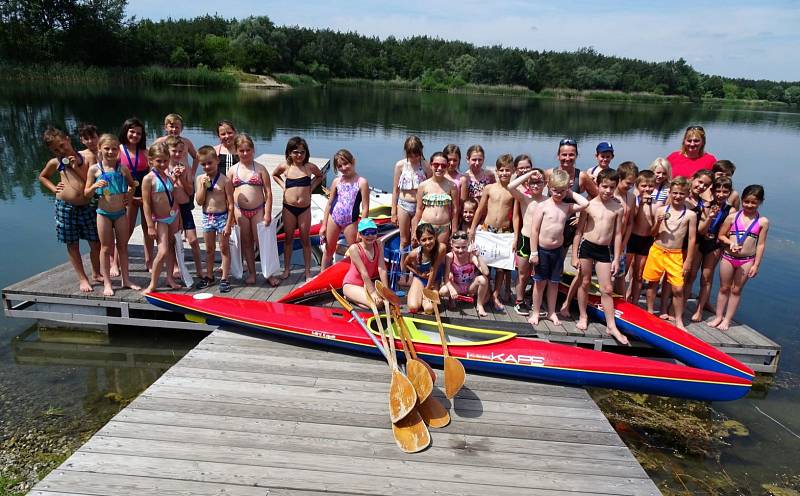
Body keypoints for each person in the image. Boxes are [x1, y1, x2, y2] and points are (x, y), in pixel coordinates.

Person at [38, 127, 101, 293]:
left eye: (62, 145)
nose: (61, 151)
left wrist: (75, 166)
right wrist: (53, 188)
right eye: (55, 149)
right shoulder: (55, 162)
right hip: (65, 207)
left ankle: (96, 272)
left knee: (96, 242)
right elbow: (42, 176)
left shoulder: (88, 156)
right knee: (72, 244)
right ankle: (83, 278)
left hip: (87, 206)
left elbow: (91, 179)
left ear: (68, 139)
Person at [572, 169, 628, 344]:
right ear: (597, 185)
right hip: (587, 247)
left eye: (612, 187)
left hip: (604, 250)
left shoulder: (618, 208)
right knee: (585, 281)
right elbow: (579, 231)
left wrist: (617, 258)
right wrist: (574, 255)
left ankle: (611, 325)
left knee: (607, 289)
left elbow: (618, 234)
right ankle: (583, 315)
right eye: (604, 186)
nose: (608, 191)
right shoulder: (588, 205)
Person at [528, 169, 589, 327]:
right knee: (540, 283)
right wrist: (534, 252)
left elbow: (585, 204)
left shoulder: (566, 207)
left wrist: (569, 191)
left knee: (554, 283)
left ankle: (551, 312)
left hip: (557, 252)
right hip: (541, 251)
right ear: (548, 186)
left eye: (562, 191)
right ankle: (535, 312)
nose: (559, 194)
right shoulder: (542, 206)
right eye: (555, 190)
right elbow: (534, 231)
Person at [84, 133, 140, 296]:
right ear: (100, 149)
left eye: (114, 149)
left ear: (118, 151)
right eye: (107, 148)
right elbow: (86, 193)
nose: (110, 152)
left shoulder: (122, 169)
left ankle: (126, 280)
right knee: (106, 247)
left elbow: (133, 184)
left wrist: (129, 197)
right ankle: (108, 283)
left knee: (122, 246)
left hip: (120, 213)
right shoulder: (94, 169)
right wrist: (95, 186)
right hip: (103, 213)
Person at [710, 185, 769, 331]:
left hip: (747, 260)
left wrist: (756, 265)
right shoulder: (732, 217)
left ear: (760, 202)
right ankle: (718, 316)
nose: (749, 205)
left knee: (736, 290)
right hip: (728, 257)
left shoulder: (762, 222)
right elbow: (721, 235)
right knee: (724, 288)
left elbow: (761, 245)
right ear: (742, 200)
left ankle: (727, 320)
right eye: (746, 202)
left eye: (753, 202)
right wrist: (731, 243)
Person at [642, 177, 697, 330]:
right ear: (670, 193)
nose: (677, 196)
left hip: (675, 254)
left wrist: (689, 260)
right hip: (658, 250)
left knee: (678, 288)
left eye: (681, 193)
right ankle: (650, 312)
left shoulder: (690, 215)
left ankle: (679, 320)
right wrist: (658, 222)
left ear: (686, 194)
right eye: (675, 193)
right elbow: (652, 233)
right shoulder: (661, 210)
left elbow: (692, 239)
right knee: (652, 284)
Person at [227, 133, 279, 286]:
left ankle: (269, 273)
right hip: (239, 211)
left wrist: (268, 213)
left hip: (258, 210)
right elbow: (228, 195)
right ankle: (251, 272)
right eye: (241, 151)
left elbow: (268, 193)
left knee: (262, 242)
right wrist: (230, 218)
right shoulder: (232, 171)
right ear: (236, 151)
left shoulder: (260, 169)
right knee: (246, 243)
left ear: (253, 150)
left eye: (248, 150)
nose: (245, 153)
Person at [272, 136, 324, 281]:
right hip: (288, 208)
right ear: (289, 152)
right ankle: (287, 269)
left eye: (302, 152)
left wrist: (311, 187)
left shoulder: (309, 167)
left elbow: (319, 176)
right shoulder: (285, 167)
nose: (299, 155)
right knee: (288, 238)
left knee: (305, 239)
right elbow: (275, 175)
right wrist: (283, 186)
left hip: (304, 208)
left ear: (306, 153)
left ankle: (307, 272)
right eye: (295, 152)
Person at [469, 153, 516, 310]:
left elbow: (515, 216)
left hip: (504, 232)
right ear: (496, 171)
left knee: (501, 267)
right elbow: (480, 210)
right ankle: (483, 292)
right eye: (501, 170)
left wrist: (515, 236)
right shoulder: (489, 188)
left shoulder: (513, 191)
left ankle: (495, 295)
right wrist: (473, 229)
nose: (504, 173)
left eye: (508, 170)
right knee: (482, 264)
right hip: (487, 230)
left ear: (513, 171)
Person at [503, 163, 546, 315]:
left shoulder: (548, 200)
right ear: (528, 183)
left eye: (539, 182)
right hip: (525, 240)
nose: (535, 185)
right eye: (532, 183)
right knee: (523, 273)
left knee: (538, 275)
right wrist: (530, 174)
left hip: (541, 242)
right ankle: (519, 301)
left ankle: (536, 302)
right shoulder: (525, 199)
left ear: (545, 184)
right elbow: (510, 186)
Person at [691, 175, 733, 322]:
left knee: (706, 278)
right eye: (718, 191)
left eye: (725, 192)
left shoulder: (731, 210)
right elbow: (701, 230)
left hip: (714, 245)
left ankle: (699, 309)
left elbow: (728, 231)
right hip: (700, 242)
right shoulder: (706, 205)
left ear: (730, 193)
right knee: (690, 274)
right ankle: (679, 304)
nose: (721, 195)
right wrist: (710, 215)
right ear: (713, 191)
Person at [141, 143, 181, 293]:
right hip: (160, 219)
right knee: (163, 251)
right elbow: (146, 203)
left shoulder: (168, 176)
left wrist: (179, 218)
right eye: (159, 161)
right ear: (151, 160)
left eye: (165, 160)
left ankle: (169, 278)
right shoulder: (148, 179)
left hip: (173, 216)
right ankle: (153, 284)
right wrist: (150, 225)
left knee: (172, 248)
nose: (163, 164)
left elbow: (173, 197)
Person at [320, 149, 370, 270]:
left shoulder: (362, 182)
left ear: (353, 162)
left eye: (346, 163)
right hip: (334, 218)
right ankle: (323, 275)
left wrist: (361, 229)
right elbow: (329, 203)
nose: (343, 167)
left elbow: (365, 208)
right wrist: (324, 224)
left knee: (354, 251)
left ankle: (355, 276)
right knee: (329, 250)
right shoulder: (337, 181)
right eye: (339, 166)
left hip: (350, 221)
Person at [195, 146, 235, 293]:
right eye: (203, 164)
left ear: (217, 161)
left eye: (210, 163)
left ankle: (225, 278)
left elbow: (231, 204)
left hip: (222, 217)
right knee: (209, 249)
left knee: (224, 248)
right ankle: (209, 276)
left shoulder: (225, 181)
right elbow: (199, 201)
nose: (207, 167)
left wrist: (229, 224)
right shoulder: (200, 179)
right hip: (207, 217)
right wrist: (203, 187)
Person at [165, 135, 203, 284]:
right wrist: (173, 178)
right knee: (173, 240)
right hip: (171, 207)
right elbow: (165, 191)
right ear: (167, 151)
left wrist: (181, 178)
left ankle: (199, 268)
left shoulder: (185, 168)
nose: (177, 154)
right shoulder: (163, 169)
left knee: (193, 240)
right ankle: (174, 266)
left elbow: (189, 191)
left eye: (181, 152)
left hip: (185, 206)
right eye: (174, 151)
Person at [118, 117, 153, 272]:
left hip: (144, 194)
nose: (135, 135)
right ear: (125, 131)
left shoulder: (145, 152)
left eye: (139, 133)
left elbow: (152, 175)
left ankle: (149, 261)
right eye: (132, 131)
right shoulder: (117, 151)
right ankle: (116, 262)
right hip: (127, 194)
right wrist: (128, 196)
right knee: (126, 229)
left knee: (148, 229)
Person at [391, 136, 431, 255]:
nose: (414, 158)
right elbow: (395, 189)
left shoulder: (426, 165)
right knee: (404, 240)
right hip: (403, 205)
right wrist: (393, 211)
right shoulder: (400, 165)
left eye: (416, 155)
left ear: (421, 151)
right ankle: (403, 270)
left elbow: (430, 187)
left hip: (419, 206)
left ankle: (413, 270)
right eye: (411, 155)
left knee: (416, 240)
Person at [412, 151, 458, 246]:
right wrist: (414, 230)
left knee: (440, 252)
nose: (439, 168)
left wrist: (454, 230)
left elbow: (455, 210)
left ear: (447, 166)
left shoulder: (452, 186)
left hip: (444, 227)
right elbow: (419, 210)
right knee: (425, 255)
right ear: (431, 165)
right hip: (425, 226)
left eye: (443, 165)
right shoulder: (423, 185)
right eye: (436, 165)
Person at [439, 230, 490, 316]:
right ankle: (453, 298)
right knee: (443, 291)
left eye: (464, 247)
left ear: (468, 245)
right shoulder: (449, 256)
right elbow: (446, 278)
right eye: (457, 247)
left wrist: (478, 256)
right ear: (452, 245)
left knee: (483, 279)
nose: (460, 250)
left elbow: (486, 272)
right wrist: (452, 290)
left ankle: (480, 304)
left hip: (470, 286)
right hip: (457, 286)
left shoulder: (471, 256)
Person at [625, 170, 657, 305]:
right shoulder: (634, 201)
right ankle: (620, 297)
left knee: (639, 275)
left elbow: (653, 228)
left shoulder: (657, 205)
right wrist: (642, 204)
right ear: (637, 186)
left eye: (650, 186)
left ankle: (635, 302)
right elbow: (634, 220)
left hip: (646, 241)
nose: (647, 189)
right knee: (623, 271)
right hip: (632, 238)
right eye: (644, 186)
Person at [342, 218, 389, 308]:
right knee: (376, 304)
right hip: (351, 285)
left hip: (366, 283)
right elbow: (363, 272)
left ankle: (355, 298)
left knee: (384, 302)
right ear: (360, 235)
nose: (370, 235)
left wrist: (385, 290)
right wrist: (372, 293)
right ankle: (349, 297)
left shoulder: (378, 244)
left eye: (373, 232)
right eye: (366, 233)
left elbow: (382, 268)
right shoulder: (354, 249)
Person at [403, 223, 447, 314]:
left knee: (429, 309)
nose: (428, 242)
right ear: (419, 241)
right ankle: (420, 298)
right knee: (413, 307)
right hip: (420, 279)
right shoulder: (415, 253)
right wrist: (419, 273)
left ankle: (424, 300)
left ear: (435, 237)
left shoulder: (441, 248)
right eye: (424, 240)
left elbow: (433, 270)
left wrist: (426, 291)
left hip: (434, 280)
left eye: (430, 238)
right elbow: (406, 264)